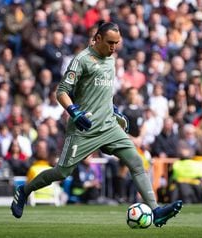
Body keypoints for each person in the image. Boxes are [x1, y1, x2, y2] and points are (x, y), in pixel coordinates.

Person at [10, 21, 182, 227]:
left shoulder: (111, 60)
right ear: (97, 38)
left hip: (109, 126)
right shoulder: (81, 60)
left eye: (117, 43)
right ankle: (24, 191)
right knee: (61, 172)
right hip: (84, 129)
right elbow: (61, 91)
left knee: (136, 162)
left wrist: (115, 111)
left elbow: (104, 93)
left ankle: (156, 211)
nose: (114, 47)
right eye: (110, 42)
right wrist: (73, 111)